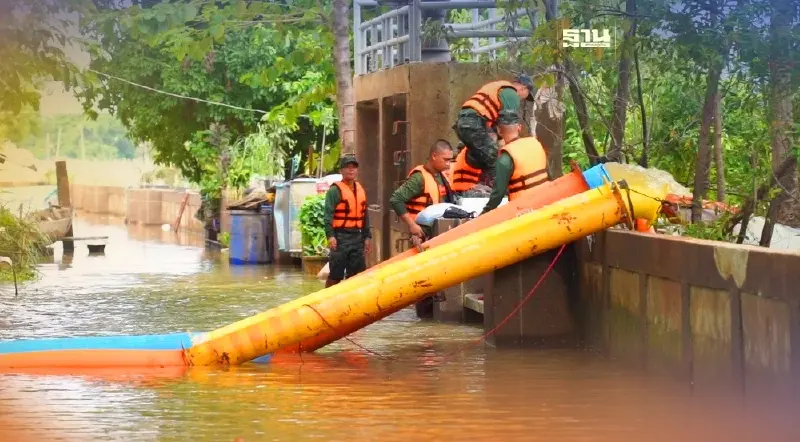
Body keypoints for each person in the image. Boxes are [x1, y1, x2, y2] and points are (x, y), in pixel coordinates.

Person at [451, 73, 535, 194]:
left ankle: (483, 188)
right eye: (525, 96)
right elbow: (508, 124)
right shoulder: (511, 94)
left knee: (485, 157)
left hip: (465, 124)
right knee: (496, 159)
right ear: (523, 88)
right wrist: (513, 148)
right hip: (474, 124)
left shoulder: (499, 89)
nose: (522, 99)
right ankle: (501, 194)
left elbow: (495, 123)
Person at [480, 110, 549, 216]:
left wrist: (484, 214)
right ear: (519, 127)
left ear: (499, 131)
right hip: (547, 202)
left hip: (524, 211)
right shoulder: (536, 144)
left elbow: (498, 194)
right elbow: (548, 175)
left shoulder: (505, 158)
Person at [389, 139, 456, 244]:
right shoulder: (419, 178)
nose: (448, 164)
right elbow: (396, 199)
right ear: (434, 156)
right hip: (420, 236)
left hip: (438, 234)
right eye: (446, 160)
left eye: (450, 160)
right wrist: (412, 225)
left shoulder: (442, 177)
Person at [323, 155, 372, 288]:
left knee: (357, 276)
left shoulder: (360, 189)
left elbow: (365, 215)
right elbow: (328, 215)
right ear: (341, 171)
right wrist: (330, 236)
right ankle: (325, 301)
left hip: (357, 237)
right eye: (348, 167)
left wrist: (367, 236)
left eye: (354, 167)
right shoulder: (334, 191)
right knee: (335, 275)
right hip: (340, 237)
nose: (351, 170)